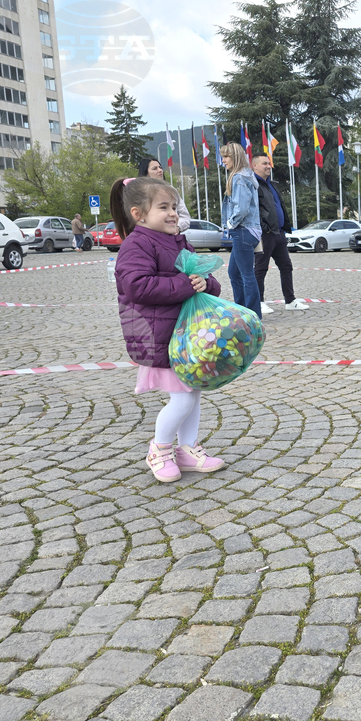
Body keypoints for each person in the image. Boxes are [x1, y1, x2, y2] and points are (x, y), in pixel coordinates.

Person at [109, 175, 226, 483]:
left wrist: (206, 283)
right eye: (164, 207)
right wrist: (184, 284)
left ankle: (187, 449)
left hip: (185, 335)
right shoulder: (137, 244)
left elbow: (198, 274)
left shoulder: (176, 239)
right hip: (158, 336)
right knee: (183, 399)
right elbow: (137, 287)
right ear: (139, 214)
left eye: (174, 206)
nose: (173, 213)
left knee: (194, 393)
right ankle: (159, 450)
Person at [251, 154, 309, 314]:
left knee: (286, 266)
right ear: (254, 166)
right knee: (260, 269)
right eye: (264, 163)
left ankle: (290, 300)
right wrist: (264, 228)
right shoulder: (253, 185)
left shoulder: (272, 185)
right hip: (264, 235)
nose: (268, 166)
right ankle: (259, 302)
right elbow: (253, 210)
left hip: (279, 233)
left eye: (269, 163)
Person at [219, 142, 262, 318]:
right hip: (247, 230)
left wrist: (230, 223)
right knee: (234, 272)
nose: (223, 160)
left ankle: (251, 315)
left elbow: (242, 208)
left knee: (246, 275)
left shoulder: (238, 178)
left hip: (243, 230)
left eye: (226, 157)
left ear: (235, 157)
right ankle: (243, 310)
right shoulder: (246, 176)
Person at [138, 157, 191, 232]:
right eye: (154, 168)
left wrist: (177, 228)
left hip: (169, 238)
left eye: (160, 167)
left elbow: (185, 216)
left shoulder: (171, 190)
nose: (160, 170)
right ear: (146, 173)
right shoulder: (139, 191)